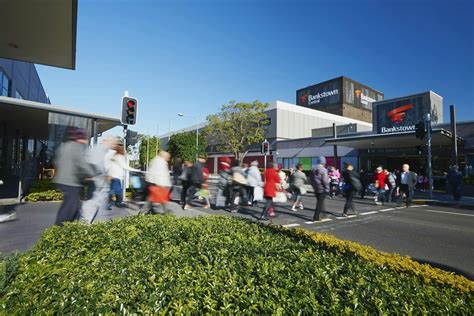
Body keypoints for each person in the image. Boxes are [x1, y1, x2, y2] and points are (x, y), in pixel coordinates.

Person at [53, 128, 95, 226]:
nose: (86, 140)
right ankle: (58, 229)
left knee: (74, 205)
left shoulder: (64, 146)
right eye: (85, 138)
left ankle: (72, 227)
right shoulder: (77, 146)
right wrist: (92, 173)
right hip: (71, 181)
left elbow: (56, 161)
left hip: (62, 180)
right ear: (81, 138)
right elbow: (82, 163)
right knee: (70, 207)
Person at [80, 136, 118, 224]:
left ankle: (94, 225)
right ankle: (84, 225)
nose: (114, 145)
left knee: (97, 206)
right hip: (97, 183)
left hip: (100, 183)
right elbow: (94, 165)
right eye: (113, 143)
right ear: (106, 142)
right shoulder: (99, 150)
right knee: (91, 206)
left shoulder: (104, 150)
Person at [107, 143, 139, 209]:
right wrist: (136, 170)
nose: (124, 150)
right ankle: (116, 203)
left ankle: (111, 203)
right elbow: (124, 166)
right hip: (116, 177)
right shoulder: (119, 157)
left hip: (113, 176)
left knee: (114, 190)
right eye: (123, 149)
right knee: (117, 191)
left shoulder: (115, 156)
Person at [310, 156, 330, 222]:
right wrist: (327, 188)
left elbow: (311, 179)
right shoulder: (324, 170)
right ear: (323, 162)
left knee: (320, 202)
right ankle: (316, 217)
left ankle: (324, 214)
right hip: (322, 188)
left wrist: (313, 186)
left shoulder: (313, 168)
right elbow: (325, 180)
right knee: (319, 203)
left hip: (316, 188)